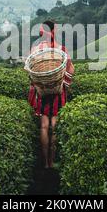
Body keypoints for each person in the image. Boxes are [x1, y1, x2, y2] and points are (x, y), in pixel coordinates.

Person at [28, 20, 74, 169]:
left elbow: (30, 69)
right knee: (54, 124)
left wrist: (37, 83)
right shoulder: (61, 49)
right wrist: (63, 83)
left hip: (41, 91)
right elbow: (70, 69)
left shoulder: (35, 48)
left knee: (44, 125)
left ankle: (45, 163)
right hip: (57, 92)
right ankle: (52, 160)